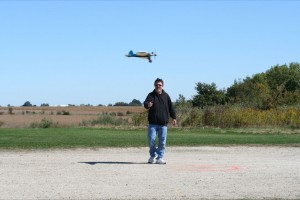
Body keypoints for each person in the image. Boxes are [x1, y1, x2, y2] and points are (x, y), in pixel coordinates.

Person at [144, 78, 176, 164]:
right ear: (154, 86)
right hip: (152, 124)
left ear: (162, 86)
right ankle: (152, 156)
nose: (158, 86)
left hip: (163, 124)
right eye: (156, 85)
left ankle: (160, 158)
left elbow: (171, 108)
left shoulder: (166, 96)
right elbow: (145, 103)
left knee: (162, 142)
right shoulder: (151, 95)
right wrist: (148, 104)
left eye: (160, 85)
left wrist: (174, 118)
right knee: (151, 140)